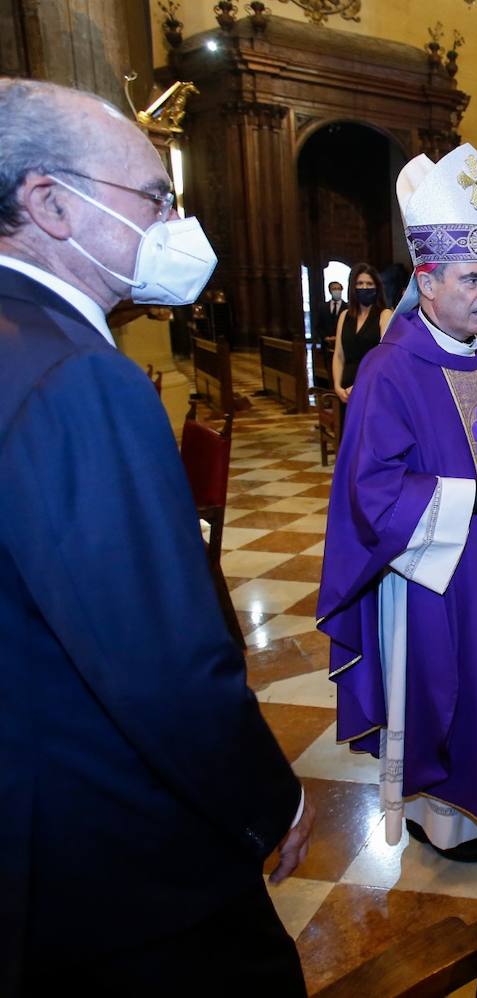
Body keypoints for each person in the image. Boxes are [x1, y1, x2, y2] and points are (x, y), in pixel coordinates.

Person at [0, 77, 311, 992]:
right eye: (155, 197)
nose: (176, 223)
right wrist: (272, 797)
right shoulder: (78, 377)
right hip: (115, 859)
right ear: (51, 203)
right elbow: (159, 662)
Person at [317, 143, 477, 867]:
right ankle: (450, 818)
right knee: (448, 687)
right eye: (472, 279)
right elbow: (371, 492)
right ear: (428, 285)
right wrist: (470, 499)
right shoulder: (389, 369)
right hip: (435, 577)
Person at [331, 262, 392, 428]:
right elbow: (339, 355)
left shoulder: (384, 315)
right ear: (353, 287)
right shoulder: (344, 316)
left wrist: (360, 386)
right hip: (346, 390)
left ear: (377, 287)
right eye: (360, 283)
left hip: (372, 387)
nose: (364, 287)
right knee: (348, 437)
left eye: (369, 284)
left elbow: (385, 357)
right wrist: (337, 386)